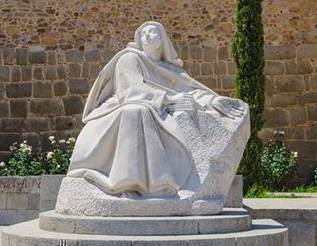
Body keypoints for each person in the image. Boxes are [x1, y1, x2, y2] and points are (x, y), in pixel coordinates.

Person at [67, 21, 246, 197]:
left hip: (152, 105)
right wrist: (169, 99)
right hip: (121, 105)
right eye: (142, 33)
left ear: (163, 40)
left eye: (152, 32)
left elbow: (188, 90)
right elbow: (131, 90)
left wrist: (212, 99)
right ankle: (126, 182)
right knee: (136, 111)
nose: (146, 35)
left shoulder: (170, 70)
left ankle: (157, 183)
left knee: (141, 111)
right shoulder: (129, 58)